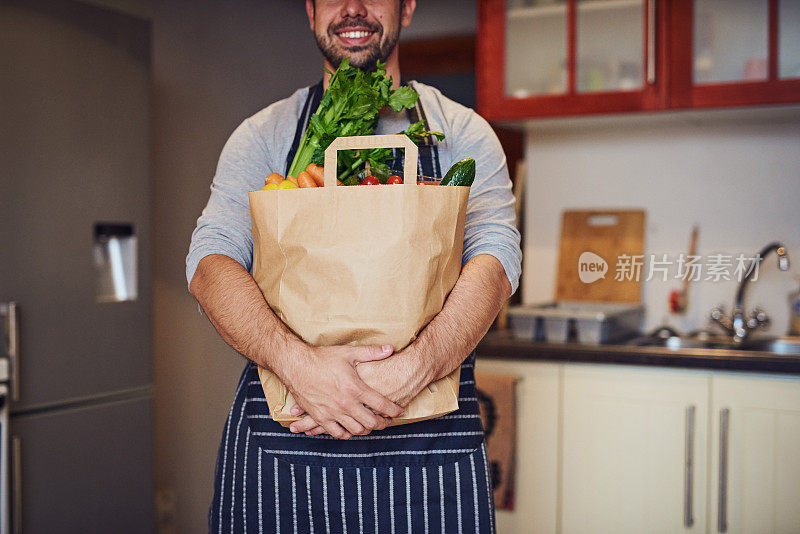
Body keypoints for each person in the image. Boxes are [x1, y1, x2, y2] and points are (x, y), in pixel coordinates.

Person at [187, 0, 521, 532]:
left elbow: (496, 258)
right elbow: (210, 262)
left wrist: (413, 369)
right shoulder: (263, 137)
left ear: (407, 6)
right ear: (311, 9)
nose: (353, 8)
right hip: (285, 453)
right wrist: (298, 366)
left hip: (428, 460)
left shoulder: (463, 133)